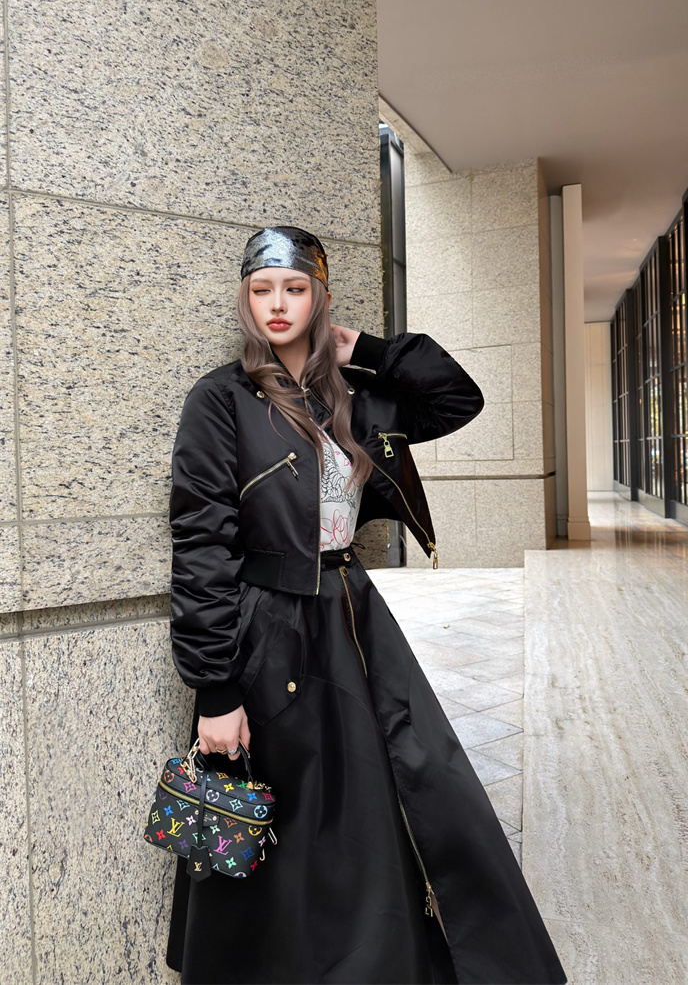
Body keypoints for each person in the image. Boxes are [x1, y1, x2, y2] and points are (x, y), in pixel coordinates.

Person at [164, 225, 568, 984]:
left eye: (295, 289)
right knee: (289, 816)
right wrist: (215, 689)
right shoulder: (221, 400)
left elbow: (458, 397)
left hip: (353, 612)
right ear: (245, 300)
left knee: (393, 797)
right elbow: (202, 545)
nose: (277, 304)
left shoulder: (355, 394)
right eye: (261, 289)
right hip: (269, 629)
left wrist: (370, 349)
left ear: (319, 298)